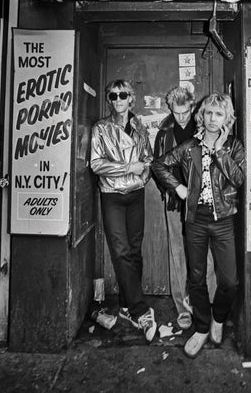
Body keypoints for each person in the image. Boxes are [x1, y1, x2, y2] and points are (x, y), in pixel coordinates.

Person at [152, 93, 245, 358]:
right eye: (209, 113)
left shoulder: (234, 146)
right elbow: (159, 166)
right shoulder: (191, 145)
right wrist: (179, 187)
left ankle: (218, 317)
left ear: (227, 118)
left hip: (224, 220)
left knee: (230, 281)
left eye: (219, 114)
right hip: (195, 220)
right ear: (201, 115)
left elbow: (238, 179)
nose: (213, 119)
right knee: (196, 277)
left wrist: (220, 151)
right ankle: (202, 327)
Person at [90, 79, 157, 343]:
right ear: (109, 100)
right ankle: (141, 311)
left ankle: (128, 307)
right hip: (112, 196)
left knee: (134, 250)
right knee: (120, 251)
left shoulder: (140, 127)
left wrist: (143, 176)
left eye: (123, 95)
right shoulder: (101, 128)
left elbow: (148, 159)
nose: (118, 99)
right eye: (113, 95)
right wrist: (128, 169)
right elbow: (96, 164)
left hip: (136, 194)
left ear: (132, 98)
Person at [154, 86, 216, 331]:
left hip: (203, 202)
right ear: (171, 109)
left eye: (185, 111)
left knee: (207, 254)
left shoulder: (204, 128)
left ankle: (207, 304)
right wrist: (172, 191)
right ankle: (183, 308)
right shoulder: (164, 132)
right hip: (175, 201)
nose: (181, 117)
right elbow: (159, 169)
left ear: (192, 107)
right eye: (176, 112)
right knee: (177, 254)